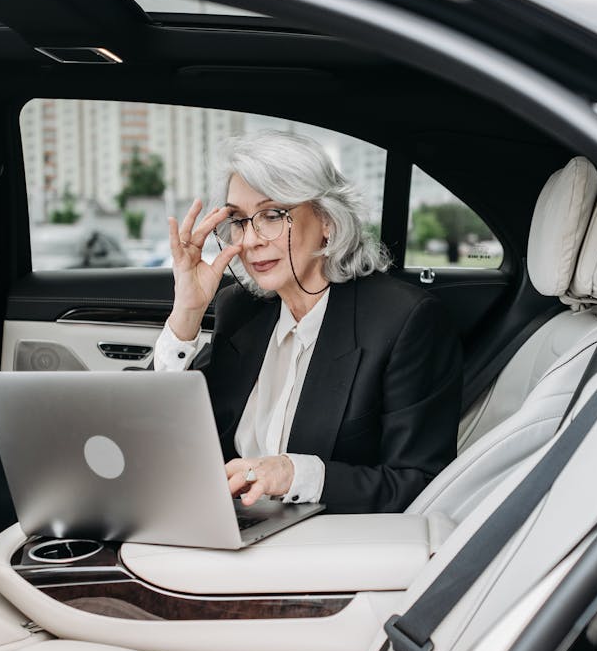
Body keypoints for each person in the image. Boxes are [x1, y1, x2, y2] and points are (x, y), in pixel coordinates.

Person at [153, 130, 462, 514]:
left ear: (327, 219)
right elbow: (161, 434)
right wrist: (186, 313)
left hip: (327, 546)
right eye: (238, 220)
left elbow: (420, 483)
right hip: (226, 523)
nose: (249, 241)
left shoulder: (402, 321)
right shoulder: (241, 309)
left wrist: (295, 474)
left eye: (271, 215)